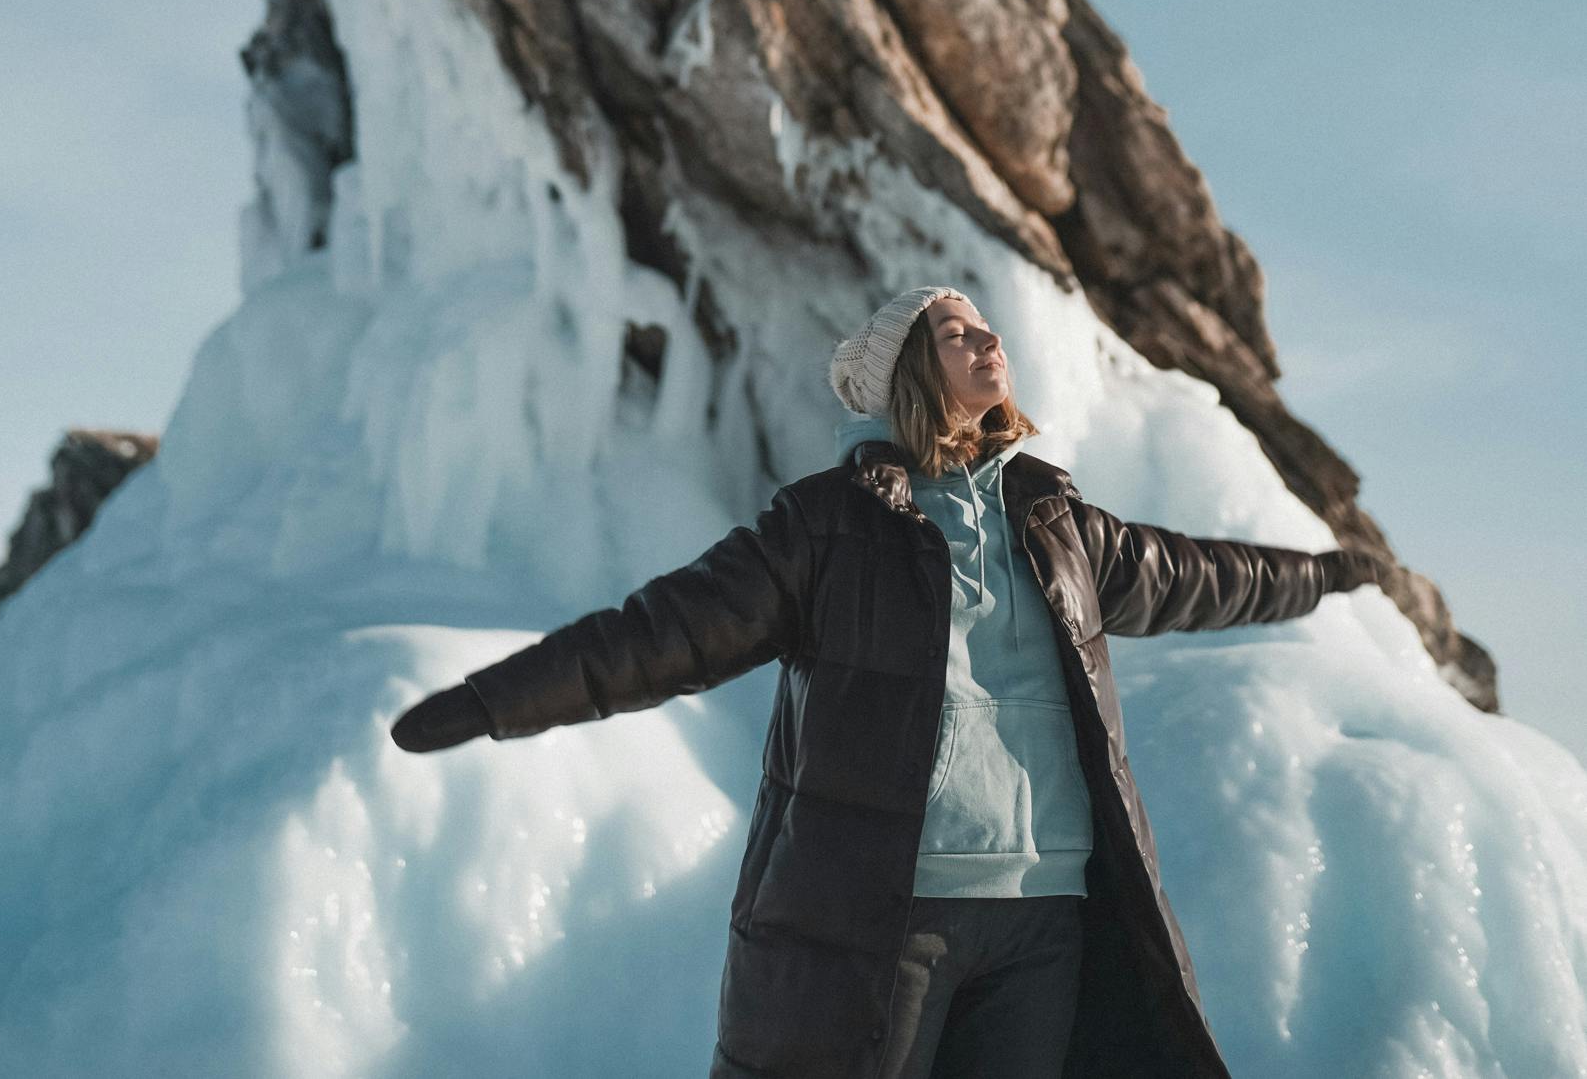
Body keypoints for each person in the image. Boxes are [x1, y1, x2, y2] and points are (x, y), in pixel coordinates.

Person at [392, 284, 1387, 1079]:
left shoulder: (1059, 523)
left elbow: (1205, 578)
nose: (984, 339)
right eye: (952, 330)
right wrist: (492, 700)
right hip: (892, 918)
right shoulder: (826, 523)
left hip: (1044, 919)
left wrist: (1324, 572)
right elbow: (661, 633)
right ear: (908, 369)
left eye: (984, 325)